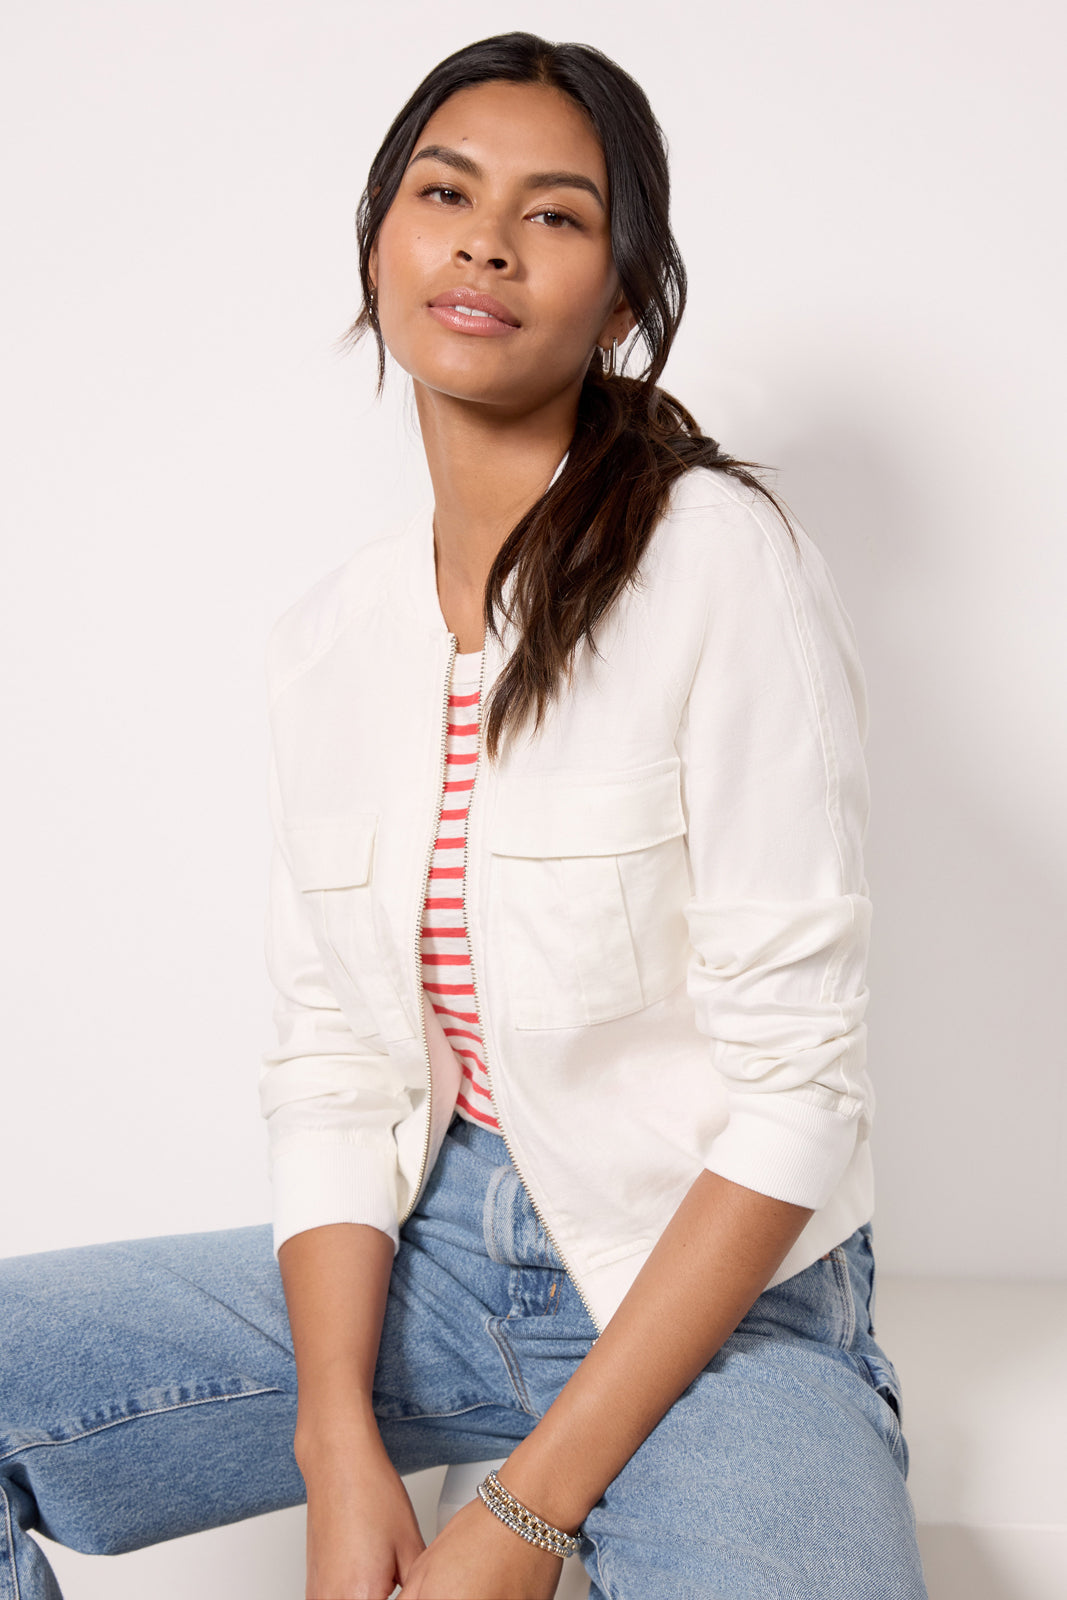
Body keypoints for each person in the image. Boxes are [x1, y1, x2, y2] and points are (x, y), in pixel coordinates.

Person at [0, 30, 929, 1600]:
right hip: (436, 1268)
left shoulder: (720, 561)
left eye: (555, 214)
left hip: (724, 1301)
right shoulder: (329, 640)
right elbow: (337, 1069)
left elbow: (801, 1094)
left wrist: (525, 1514)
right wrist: (334, 1442)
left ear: (624, 297)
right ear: (379, 241)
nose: (488, 241)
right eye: (445, 193)